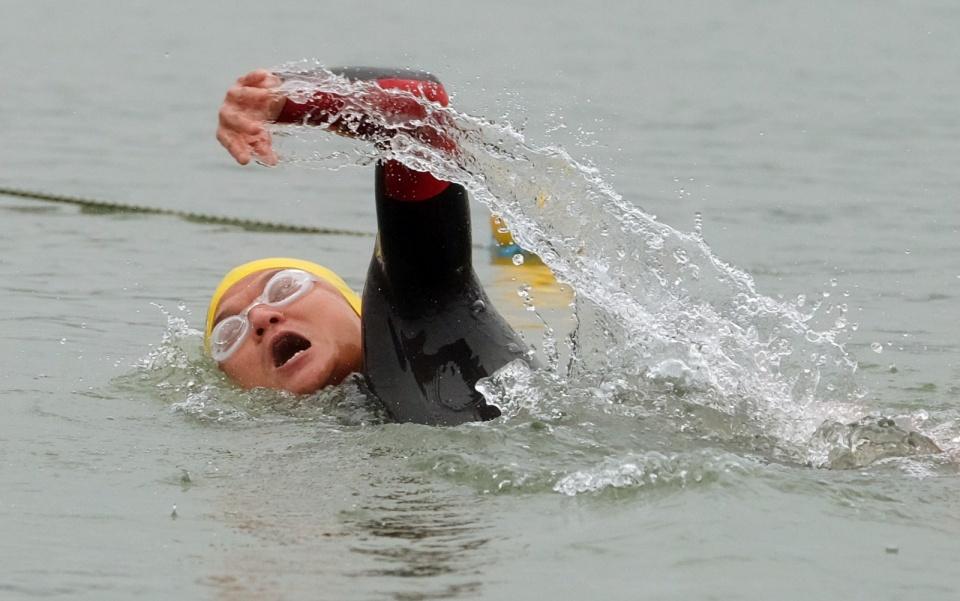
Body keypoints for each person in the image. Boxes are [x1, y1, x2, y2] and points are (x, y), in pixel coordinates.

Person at [210, 67, 529, 425]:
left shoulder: (428, 327)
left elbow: (418, 114)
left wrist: (283, 98)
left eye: (284, 287)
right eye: (228, 333)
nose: (258, 317)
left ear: (357, 312)